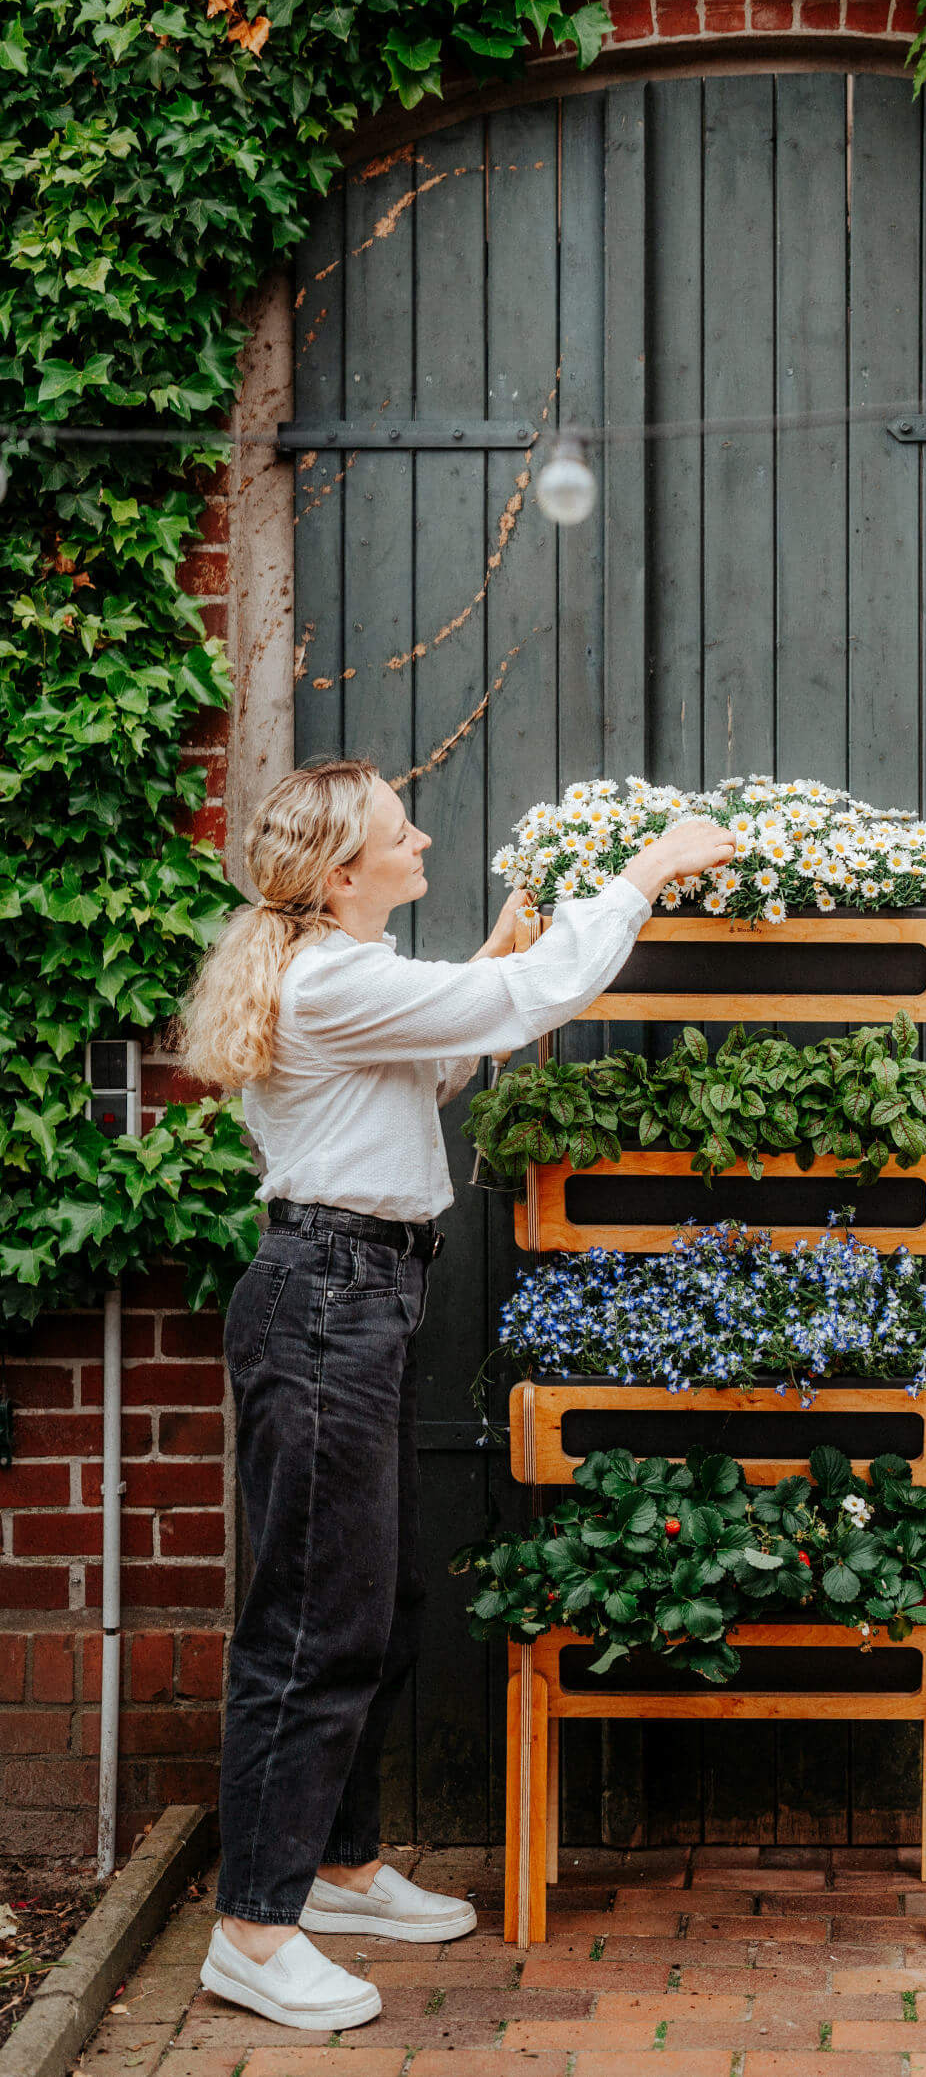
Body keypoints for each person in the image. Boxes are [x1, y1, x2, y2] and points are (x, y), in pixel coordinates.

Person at [171, 757, 734, 2031]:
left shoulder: (338, 980)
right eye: (397, 829)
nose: (420, 838)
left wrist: (482, 971)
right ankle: (255, 1933)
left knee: (374, 1599)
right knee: (315, 1623)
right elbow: (529, 996)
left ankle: (341, 1866)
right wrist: (641, 875)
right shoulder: (330, 977)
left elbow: (433, 1066)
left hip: (356, 1301)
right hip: (327, 1305)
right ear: (341, 872)